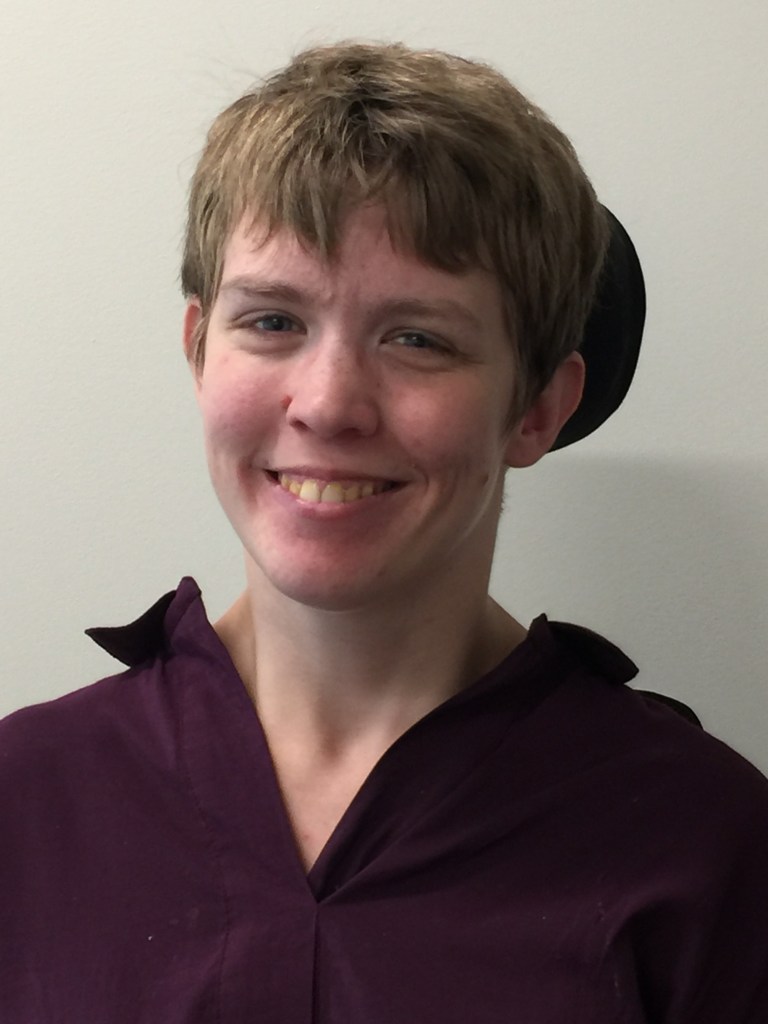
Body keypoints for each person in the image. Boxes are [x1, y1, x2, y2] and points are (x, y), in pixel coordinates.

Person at [1, 40, 767, 1024]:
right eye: (273, 321)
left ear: (537, 406)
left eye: (418, 337)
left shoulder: (702, 846)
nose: (328, 404)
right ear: (198, 352)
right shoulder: (30, 806)